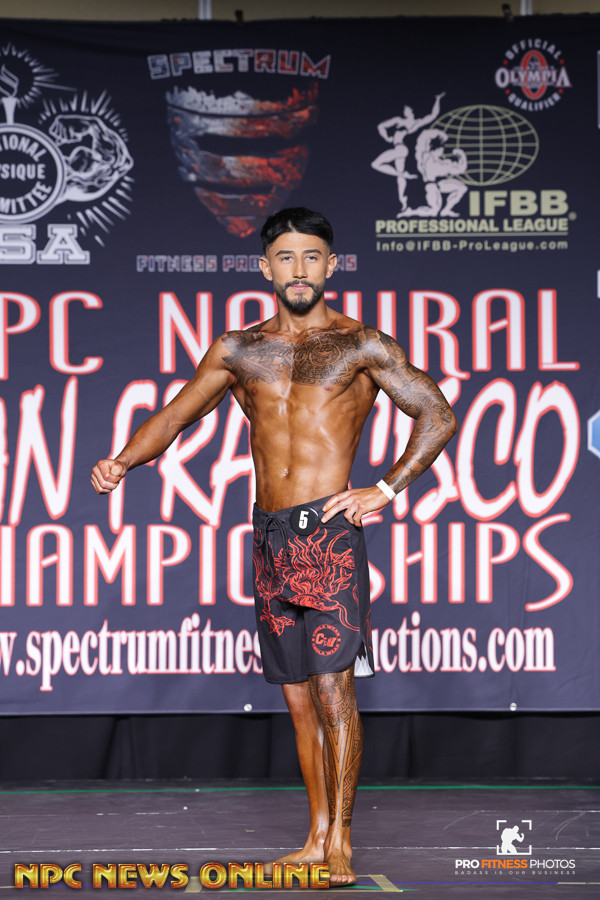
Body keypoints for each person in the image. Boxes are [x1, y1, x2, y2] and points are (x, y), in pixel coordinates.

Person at [91, 207, 458, 886]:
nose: (300, 269)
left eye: (312, 256)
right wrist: (122, 461)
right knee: (296, 697)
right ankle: (315, 837)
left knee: (333, 688)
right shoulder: (239, 349)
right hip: (268, 537)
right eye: (286, 257)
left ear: (331, 265)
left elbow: (437, 413)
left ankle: (342, 840)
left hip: (329, 533)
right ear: (266, 268)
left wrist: (386, 488)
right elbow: (174, 415)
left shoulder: (362, 344)